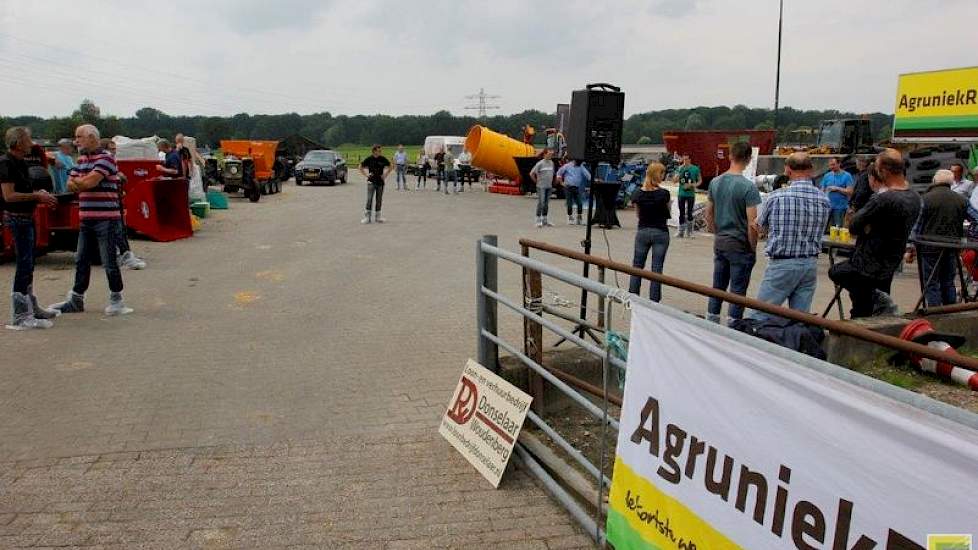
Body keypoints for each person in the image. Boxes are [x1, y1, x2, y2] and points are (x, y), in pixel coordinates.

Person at [50, 124, 133, 316]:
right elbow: (72, 185)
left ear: (92, 138)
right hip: (86, 217)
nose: (75, 141)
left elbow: (89, 182)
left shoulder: (106, 159)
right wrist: (82, 182)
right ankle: (77, 299)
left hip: (106, 218)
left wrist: (81, 182)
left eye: (79, 137)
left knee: (109, 260)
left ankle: (116, 299)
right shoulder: (81, 159)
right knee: (81, 259)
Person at [828, 149, 922, 318]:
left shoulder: (883, 199)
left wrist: (866, 225)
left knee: (838, 273)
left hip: (867, 262)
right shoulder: (914, 196)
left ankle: (868, 320)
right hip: (890, 261)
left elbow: (854, 226)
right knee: (868, 305)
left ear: (884, 171)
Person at [746, 152, 831, 320]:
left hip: (783, 262)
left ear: (787, 171)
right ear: (811, 170)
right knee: (799, 318)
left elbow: (758, 226)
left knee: (759, 314)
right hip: (809, 263)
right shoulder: (824, 199)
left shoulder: (776, 197)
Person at [1, 127, 60, 330]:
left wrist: (39, 192)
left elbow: (23, 190)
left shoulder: (21, 162)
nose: (32, 143)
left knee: (29, 264)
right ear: (17, 143)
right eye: (28, 139)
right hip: (17, 220)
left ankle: (30, 307)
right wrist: (37, 196)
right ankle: (20, 315)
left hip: (27, 218)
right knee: (24, 264)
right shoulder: (6, 163)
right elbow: (8, 196)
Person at [705, 141, 761, 323]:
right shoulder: (748, 187)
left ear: (730, 156)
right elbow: (752, 223)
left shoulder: (715, 182)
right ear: (748, 159)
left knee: (717, 287)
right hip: (739, 243)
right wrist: (752, 246)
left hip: (721, 240)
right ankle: (733, 324)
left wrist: (716, 232)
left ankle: (711, 320)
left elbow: (708, 213)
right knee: (737, 291)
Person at [906, 169, 967, 307]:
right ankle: (950, 311)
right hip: (952, 246)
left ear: (934, 181)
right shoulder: (961, 200)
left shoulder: (926, 199)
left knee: (931, 282)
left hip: (929, 246)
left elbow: (917, 226)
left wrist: (910, 248)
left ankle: (935, 311)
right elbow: (975, 217)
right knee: (948, 281)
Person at [628, 162, 671, 302]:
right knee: (656, 269)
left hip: (643, 230)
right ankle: (654, 301)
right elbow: (667, 212)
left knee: (637, 266)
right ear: (658, 175)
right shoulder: (664, 194)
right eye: (662, 173)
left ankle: (633, 297)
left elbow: (638, 214)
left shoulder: (638, 193)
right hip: (660, 231)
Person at [101, 138, 146, 270]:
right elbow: (113, 176)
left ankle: (122, 255)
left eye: (115, 149)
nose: (114, 151)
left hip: (115, 198)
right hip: (110, 201)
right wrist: (119, 177)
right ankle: (124, 256)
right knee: (117, 229)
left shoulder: (110, 160)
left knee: (118, 229)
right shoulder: (107, 159)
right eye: (112, 149)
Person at [359, 144, 391, 224]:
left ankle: (378, 217)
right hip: (371, 182)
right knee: (369, 199)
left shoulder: (382, 159)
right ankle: (367, 217)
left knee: (379, 199)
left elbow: (391, 166)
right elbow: (360, 166)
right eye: (379, 151)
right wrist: (366, 175)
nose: (380, 152)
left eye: (381, 151)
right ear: (374, 151)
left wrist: (385, 175)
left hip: (380, 182)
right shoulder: (369, 159)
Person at [672, 153, 701, 238]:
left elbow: (699, 181)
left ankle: (690, 232)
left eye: (687, 159)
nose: (685, 161)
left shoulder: (695, 169)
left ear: (690, 160)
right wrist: (678, 174)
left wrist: (692, 185)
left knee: (690, 212)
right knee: (681, 212)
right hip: (681, 193)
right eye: (684, 160)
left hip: (690, 194)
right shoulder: (680, 168)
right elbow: (674, 181)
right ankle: (680, 231)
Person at [820, 157, 854, 227]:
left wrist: (837, 188)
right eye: (830, 165)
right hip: (827, 207)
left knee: (838, 229)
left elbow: (850, 191)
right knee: (825, 230)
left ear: (839, 164)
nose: (831, 167)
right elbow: (822, 190)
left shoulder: (847, 176)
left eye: (833, 165)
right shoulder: (827, 176)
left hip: (840, 208)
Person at [556, 159, 590, 225]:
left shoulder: (581, 166)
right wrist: (561, 182)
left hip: (577, 187)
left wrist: (593, 179)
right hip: (568, 187)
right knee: (569, 203)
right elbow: (559, 173)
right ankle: (570, 217)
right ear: (575, 161)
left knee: (580, 203)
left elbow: (587, 175)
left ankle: (579, 217)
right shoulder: (567, 166)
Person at [530, 149, 556, 227]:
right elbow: (531, 173)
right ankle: (538, 219)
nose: (550, 155)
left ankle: (545, 219)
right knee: (541, 203)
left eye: (551, 154)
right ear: (544, 155)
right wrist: (536, 182)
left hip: (549, 186)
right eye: (549, 154)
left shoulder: (551, 163)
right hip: (541, 187)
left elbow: (552, 173)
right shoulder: (540, 164)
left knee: (546, 203)